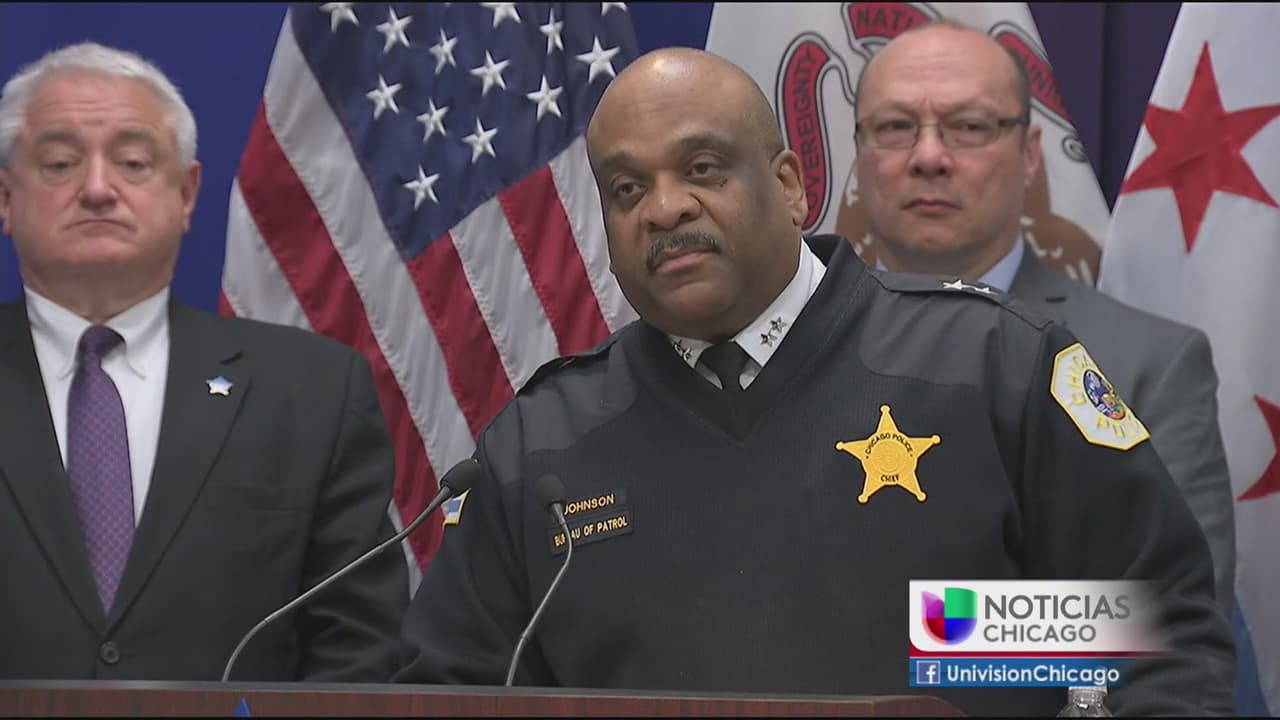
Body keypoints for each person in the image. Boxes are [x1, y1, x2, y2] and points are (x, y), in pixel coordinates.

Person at [395, 47, 1234, 716]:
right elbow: (446, 692)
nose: (665, 208)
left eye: (703, 168)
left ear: (791, 187)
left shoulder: (993, 366)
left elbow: (1154, 641)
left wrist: (951, 635)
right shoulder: (539, 447)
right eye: (626, 188)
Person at [0, 42, 407, 680]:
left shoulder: (313, 393)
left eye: (133, 163)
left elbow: (358, 650)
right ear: (5, 197)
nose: (98, 189)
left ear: (187, 194)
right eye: (59, 164)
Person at [844, 20, 1237, 623]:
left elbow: (1173, 618)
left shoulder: (1148, 365)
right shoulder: (789, 349)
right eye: (895, 127)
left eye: (969, 126)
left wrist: (924, 633)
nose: (929, 157)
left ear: (1029, 156)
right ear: (859, 151)